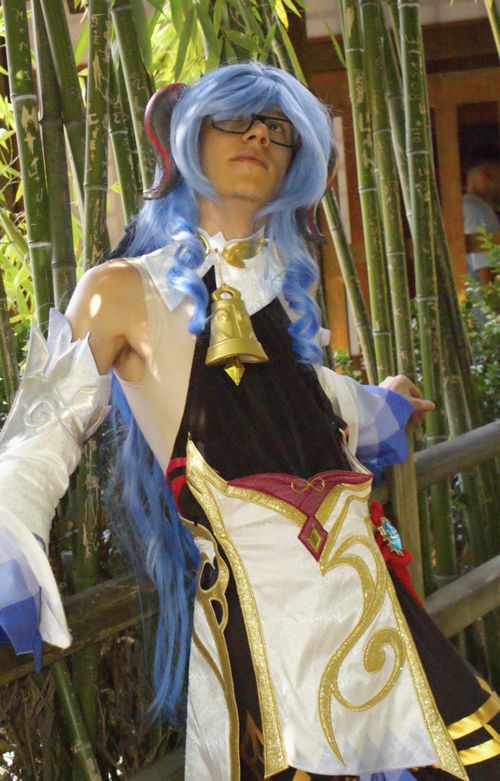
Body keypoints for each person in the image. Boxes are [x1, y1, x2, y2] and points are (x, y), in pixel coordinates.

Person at [0, 63, 498, 781]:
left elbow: (318, 398)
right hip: (265, 643)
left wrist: (384, 400)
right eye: (235, 118)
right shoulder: (120, 291)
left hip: (372, 616)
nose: (259, 135)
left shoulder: (283, 295)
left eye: (278, 127)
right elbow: (37, 438)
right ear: (187, 136)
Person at [462, 143, 500, 285]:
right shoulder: (476, 208)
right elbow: (485, 273)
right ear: (486, 174)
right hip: (481, 299)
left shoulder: (467, 206)